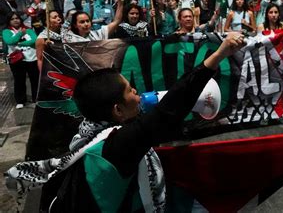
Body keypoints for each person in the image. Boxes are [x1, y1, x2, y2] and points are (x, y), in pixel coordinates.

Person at [5, 33, 246, 212]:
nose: (138, 94)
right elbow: (169, 110)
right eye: (131, 91)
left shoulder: (89, 130)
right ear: (118, 110)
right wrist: (218, 55)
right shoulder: (116, 145)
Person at [2, 12, 39, 109]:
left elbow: (34, 40)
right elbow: (10, 41)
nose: (15, 20)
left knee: (35, 79)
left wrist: (20, 44)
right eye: (12, 19)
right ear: (9, 21)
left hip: (32, 58)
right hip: (17, 59)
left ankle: (37, 99)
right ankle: (20, 100)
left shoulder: (28, 29)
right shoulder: (6, 31)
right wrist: (19, 34)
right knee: (19, 80)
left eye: (17, 18)